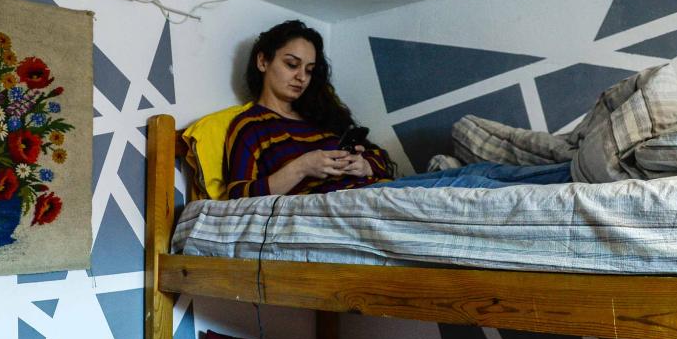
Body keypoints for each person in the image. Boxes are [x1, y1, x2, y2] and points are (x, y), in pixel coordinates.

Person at [224, 20, 571, 199]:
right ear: (262, 61)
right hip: (348, 199)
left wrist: (363, 164)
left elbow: (381, 161)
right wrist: (302, 166)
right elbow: (235, 198)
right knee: (468, 182)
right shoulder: (250, 126)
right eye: (291, 64)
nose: (301, 77)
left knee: (484, 171)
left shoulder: (319, 117)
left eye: (309, 70)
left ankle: (579, 173)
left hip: (373, 186)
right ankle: (577, 182)